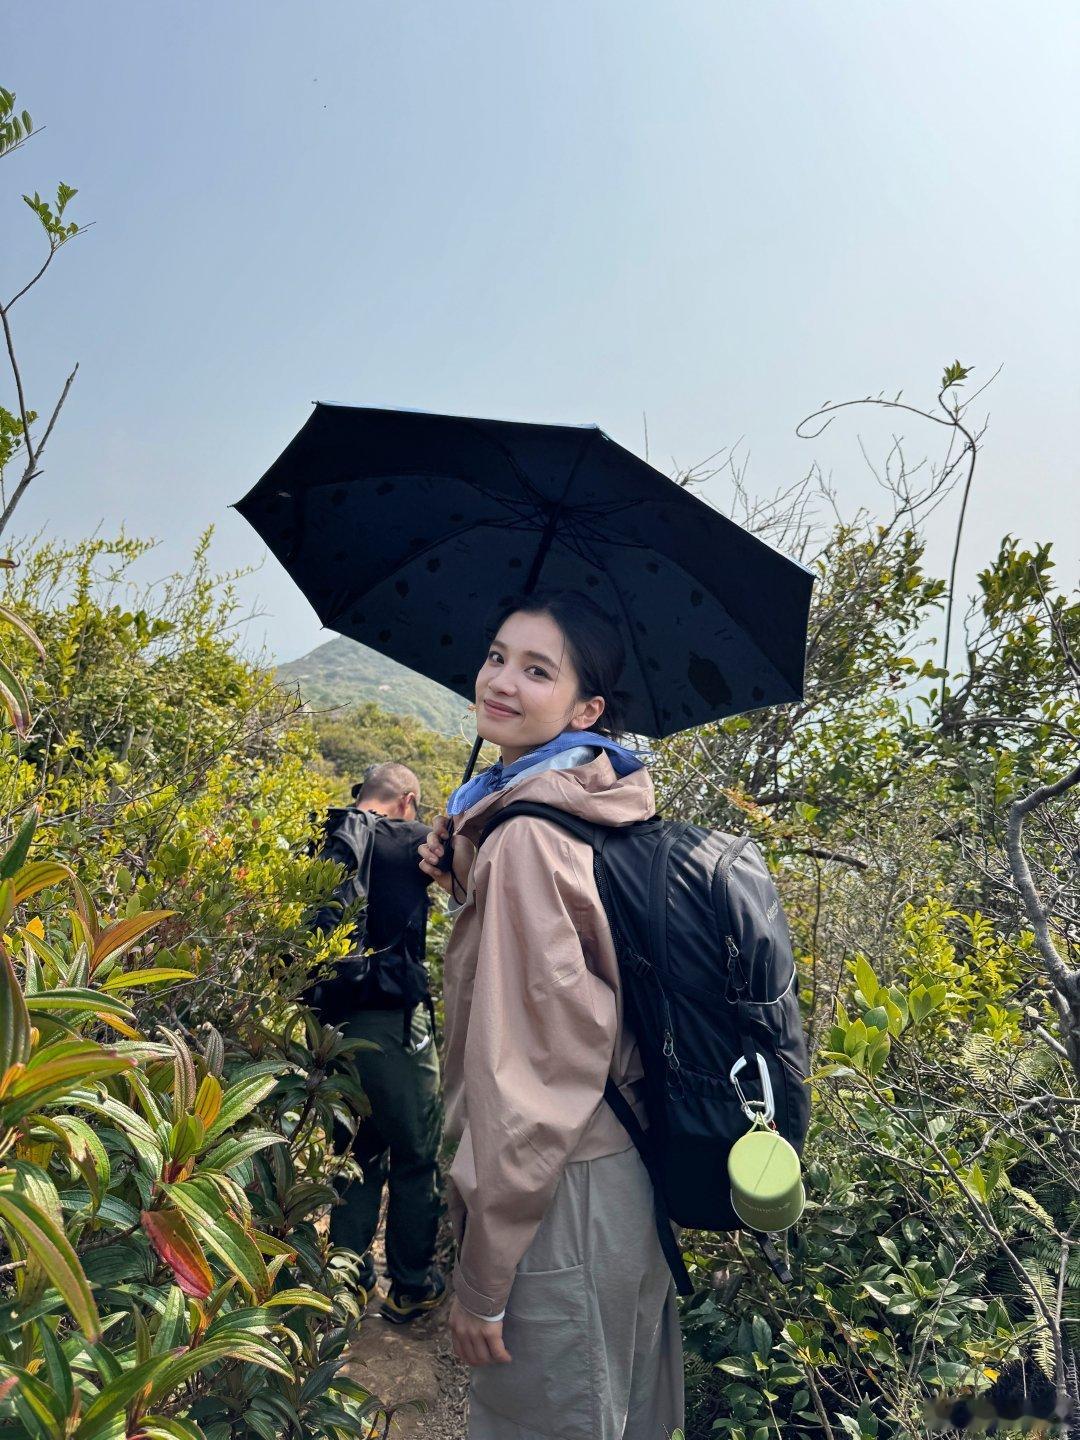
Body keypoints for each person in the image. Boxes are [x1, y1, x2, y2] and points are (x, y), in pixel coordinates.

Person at [418, 592, 684, 1439]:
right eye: (497, 655)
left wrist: (484, 1280)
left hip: (556, 1196)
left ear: (586, 709)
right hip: (620, 1174)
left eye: (538, 670)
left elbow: (527, 1088)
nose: (501, 680)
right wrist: (468, 862)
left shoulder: (528, 838)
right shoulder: (590, 804)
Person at [311, 760, 446, 1324]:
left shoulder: (322, 839)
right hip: (393, 1023)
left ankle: (348, 1279)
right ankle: (410, 1285)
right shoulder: (414, 842)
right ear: (408, 800)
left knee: (356, 1151)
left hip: (327, 1025)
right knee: (417, 1153)